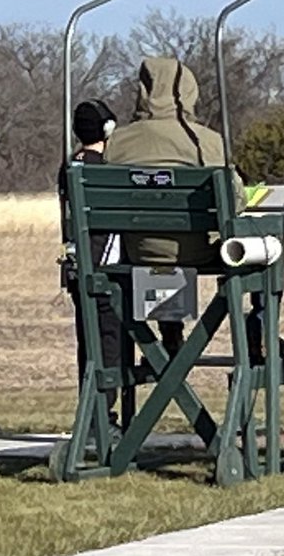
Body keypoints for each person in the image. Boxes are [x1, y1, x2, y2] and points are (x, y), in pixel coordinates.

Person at [104, 57, 244, 357]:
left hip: (138, 249)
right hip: (195, 250)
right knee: (263, 258)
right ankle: (253, 338)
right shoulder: (205, 141)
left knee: (158, 250)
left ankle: (169, 336)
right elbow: (235, 201)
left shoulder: (117, 142)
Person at [58, 99, 123, 432]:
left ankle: (94, 412)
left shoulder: (70, 166)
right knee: (109, 344)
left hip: (78, 266)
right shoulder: (107, 171)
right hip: (105, 268)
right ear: (107, 129)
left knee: (89, 345)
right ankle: (102, 418)